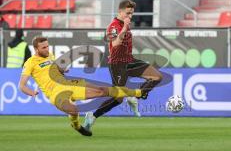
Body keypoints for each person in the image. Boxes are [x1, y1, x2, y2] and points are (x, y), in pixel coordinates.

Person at [18, 36, 146, 136]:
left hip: (68, 84)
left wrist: (63, 70)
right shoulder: (30, 63)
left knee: (102, 90)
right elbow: (21, 85)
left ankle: (139, 93)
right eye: (44, 48)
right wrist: (32, 93)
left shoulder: (50, 55)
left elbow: (56, 68)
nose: (47, 49)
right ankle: (76, 125)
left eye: (47, 46)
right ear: (36, 49)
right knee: (73, 110)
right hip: (55, 93)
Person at [83, 0, 162, 132]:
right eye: (128, 13)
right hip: (117, 64)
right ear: (120, 11)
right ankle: (92, 116)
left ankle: (134, 97)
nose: (130, 16)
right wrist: (125, 27)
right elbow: (115, 44)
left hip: (130, 60)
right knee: (118, 99)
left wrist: (126, 26)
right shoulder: (113, 26)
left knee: (157, 77)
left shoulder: (125, 23)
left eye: (132, 14)